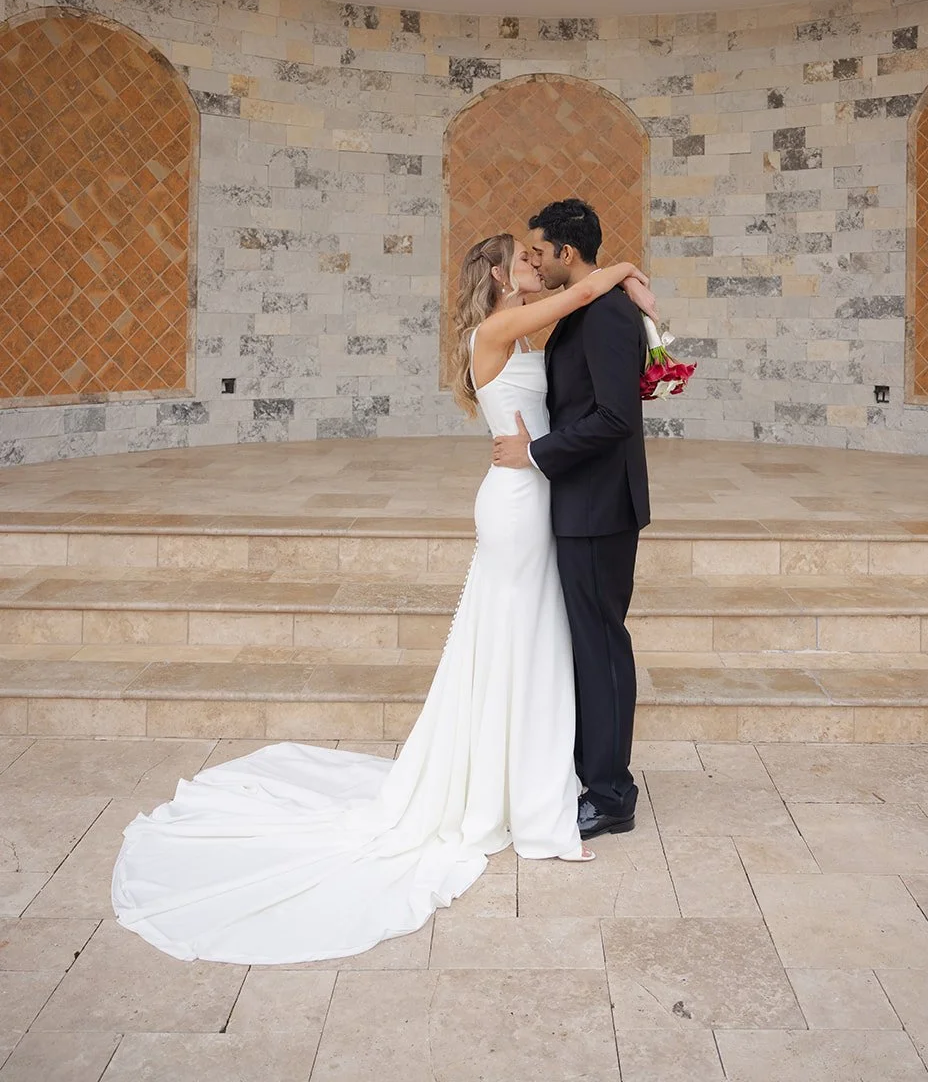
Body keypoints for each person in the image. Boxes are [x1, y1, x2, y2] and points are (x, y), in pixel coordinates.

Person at [110, 233, 654, 964]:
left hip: (536, 495)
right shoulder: (492, 331)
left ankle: (521, 776)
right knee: (515, 632)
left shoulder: (531, 332)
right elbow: (582, 292)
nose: (535, 265)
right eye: (523, 261)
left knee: (526, 635)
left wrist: (643, 328)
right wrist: (625, 274)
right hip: (516, 502)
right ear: (496, 276)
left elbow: (592, 353)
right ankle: (517, 793)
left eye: (537, 258)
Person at [491, 199, 650, 840]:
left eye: (538, 250)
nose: (531, 258)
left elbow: (616, 417)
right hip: (579, 502)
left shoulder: (608, 315)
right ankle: (594, 774)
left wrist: (534, 453)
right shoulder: (585, 307)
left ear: (567, 252)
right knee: (589, 644)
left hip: (597, 508)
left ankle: (611, 794)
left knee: (602, 646)